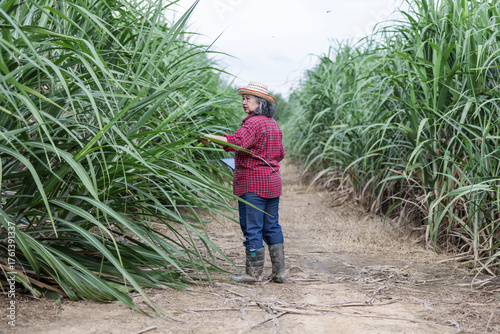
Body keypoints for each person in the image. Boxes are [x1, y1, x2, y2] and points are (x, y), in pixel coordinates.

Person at [199, 82, 286, 284]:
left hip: (253, 184)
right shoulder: (275, 125)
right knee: (272, 226)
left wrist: (209, 138)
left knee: (252, 227)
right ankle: (279, 272)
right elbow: (280, 154)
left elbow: (235, 142)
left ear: (260, 102)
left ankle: (253, 274)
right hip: (272, 182)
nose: (244, 102)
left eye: (248, 98)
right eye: (243, 98)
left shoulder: (253, 123)